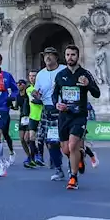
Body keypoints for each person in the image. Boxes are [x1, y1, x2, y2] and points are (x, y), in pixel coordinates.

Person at [53, 44, 99, 190]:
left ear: (78, 56)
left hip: (79, 115)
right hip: (64, 116)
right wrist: (57, 104)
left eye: (73, 55)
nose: (70, 57)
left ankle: (73, 178)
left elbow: (97, 93)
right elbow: (54, 94)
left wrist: (88, 85)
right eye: (67, 55)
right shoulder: (60, 75)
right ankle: (79, 158)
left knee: (73, 145)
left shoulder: (85, 74)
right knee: (66, 150)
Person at [33, 48, 67, 181]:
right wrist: (36, 94)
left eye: (50, 55)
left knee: (67, 142)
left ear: (56, 57)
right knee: (51, 142)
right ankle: (58, 169)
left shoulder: (64, 70)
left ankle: (73, 163)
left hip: (64, 109)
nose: (47, 57)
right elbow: (38, 91)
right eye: (45, 55)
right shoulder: (40, 74)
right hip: (48, 109)